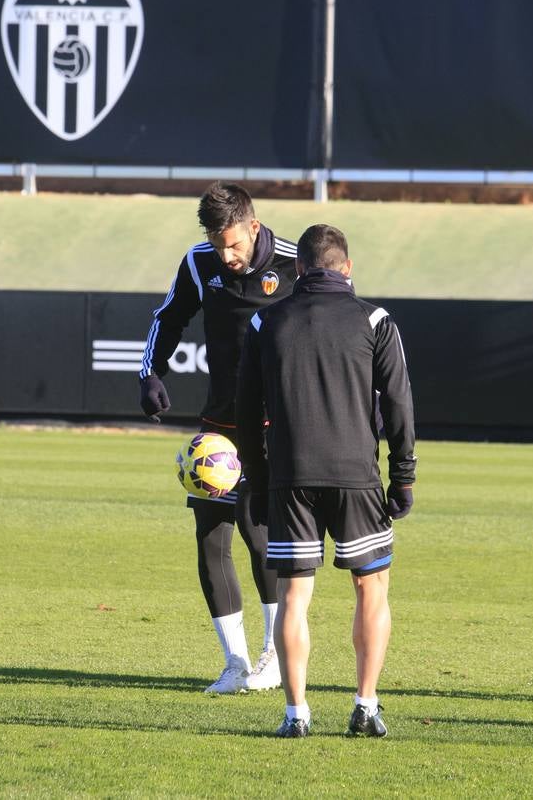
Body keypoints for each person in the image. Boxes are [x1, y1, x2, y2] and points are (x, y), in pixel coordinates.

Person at [236, 224, 416, 737]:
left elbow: (246, 411)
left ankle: (296, 715)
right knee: (372, 587)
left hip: (290, 478)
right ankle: (365, 705)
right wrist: (403, 475)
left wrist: (259, 477)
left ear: (298, 270)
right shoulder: (375, 319)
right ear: (347, 268)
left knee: (294, 595)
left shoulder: (265, 322)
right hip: (357, 477)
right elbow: (400, 403)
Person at [139, 182, 298, 694]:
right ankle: (235, 663)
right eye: (217, 243)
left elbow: (338, 325)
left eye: (233, 243)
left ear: (254, 227)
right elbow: (169, 317)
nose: (226, 255)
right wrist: (151, 374)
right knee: (211, 537)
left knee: (260, 537)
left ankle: (274, 657)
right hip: (220, 427)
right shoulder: (199, 260)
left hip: (275, 427)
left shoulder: (296, 263)